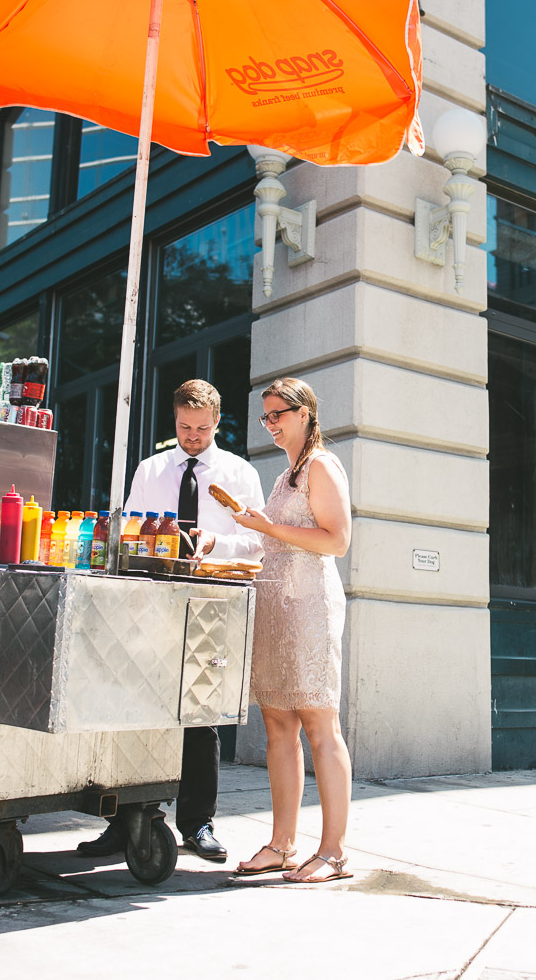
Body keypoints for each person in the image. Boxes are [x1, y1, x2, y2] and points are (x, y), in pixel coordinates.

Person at [75, 379, 263, 864]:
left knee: (200, 715)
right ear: (174, 420)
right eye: (184, 427)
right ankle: (124, 821)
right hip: (150, 602)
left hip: (210, 601)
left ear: (217, 422)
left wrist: (215, 543)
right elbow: (132, 535)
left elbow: (260, 543)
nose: (193, 436)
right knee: (133, 707)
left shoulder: (239, 473)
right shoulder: (151, 469)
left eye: (202, 428)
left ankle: (197, 823)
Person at [222, 378, 355, 884]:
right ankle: (281, 845)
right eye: (266, 416)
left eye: (278, 414)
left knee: (321, 726)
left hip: (310, 610)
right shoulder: (284, 476)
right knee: (278, 724)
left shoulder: (322, 464)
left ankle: (335, 852)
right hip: (276, 608)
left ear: (305, 413)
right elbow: (273, 543)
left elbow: (337, 541)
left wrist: (267, 528)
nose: (271, 424)